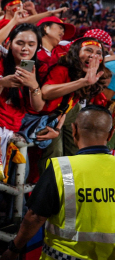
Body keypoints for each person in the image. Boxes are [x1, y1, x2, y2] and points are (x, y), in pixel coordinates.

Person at [0, 105, 115, 260]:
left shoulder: (62, 169)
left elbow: (34, 217)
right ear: (110, 135)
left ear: (74, 130)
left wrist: (14, 248)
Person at [38, 37, 111, 170]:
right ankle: (50, 188)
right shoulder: (62, 69)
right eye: (88, 50)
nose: (93, 55)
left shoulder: (87, 75)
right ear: (76, 52)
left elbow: (66, 108)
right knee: (56, 155)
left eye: (98, 53)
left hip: (58, 118)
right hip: (39, 120)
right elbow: (46, 92)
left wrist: (58, 128)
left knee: (74, 152)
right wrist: (83, 82)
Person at [0, 24, 45, 133]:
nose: (25, 49)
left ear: (37, 47)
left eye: (31, 44)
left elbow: (38, 107)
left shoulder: (40, 69)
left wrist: (34, 85)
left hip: (15, 127)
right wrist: (1, 84)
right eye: (19, 43)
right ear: (10, 44)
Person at [36, 15, 75, 81]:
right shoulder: (29, 49)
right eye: (60, 28)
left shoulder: (66, 49)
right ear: (46, 28)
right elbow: (23, 73)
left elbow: (83, 42)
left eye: (63, 31)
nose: (62, 33)